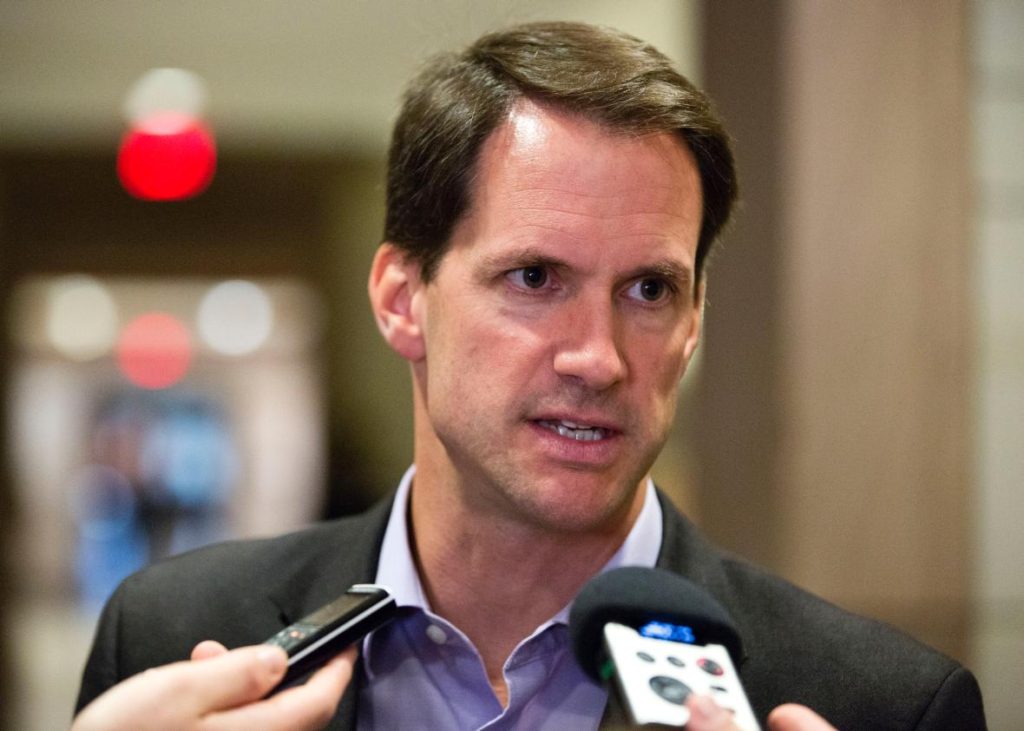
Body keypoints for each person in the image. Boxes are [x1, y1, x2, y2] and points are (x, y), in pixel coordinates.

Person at [75, 21, 986, 730]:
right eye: (535, 279)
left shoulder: (881, 703)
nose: (598, 356)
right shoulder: (176, 638)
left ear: (696, 318)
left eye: (649, 288)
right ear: (402, 297)